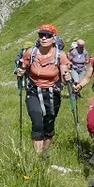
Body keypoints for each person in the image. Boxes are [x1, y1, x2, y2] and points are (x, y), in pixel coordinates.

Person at [16, 24, 71, 156]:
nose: (44, 38)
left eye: (48, 35)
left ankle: (45, 154)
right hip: (33, 91)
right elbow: (23, 67)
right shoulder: (31, 52)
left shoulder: (60, 55)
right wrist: (20, 71)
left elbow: (64, 74)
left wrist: (67, 76)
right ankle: (38, 157)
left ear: (54, 38)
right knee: (37, 123)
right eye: (41, 35)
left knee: (49, 125)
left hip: (52, 93)